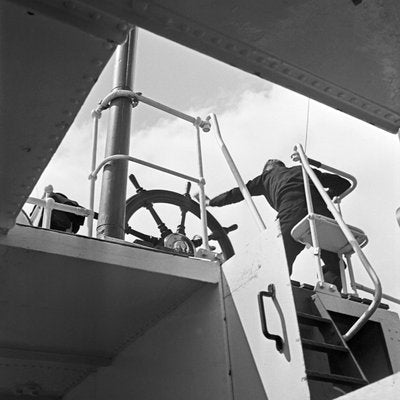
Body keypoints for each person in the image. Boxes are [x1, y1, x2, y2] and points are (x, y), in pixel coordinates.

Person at [207, 159, 351, 291]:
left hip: (292, 217)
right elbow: (344, 184)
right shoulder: (303, 169)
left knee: (280, 260)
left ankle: (281, 294)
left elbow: (238, 193)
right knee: (335, 264)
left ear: (267, 170)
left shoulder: (265, 178)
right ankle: (330, 292)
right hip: (323, 219)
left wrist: (210, 202)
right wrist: (327, 195)